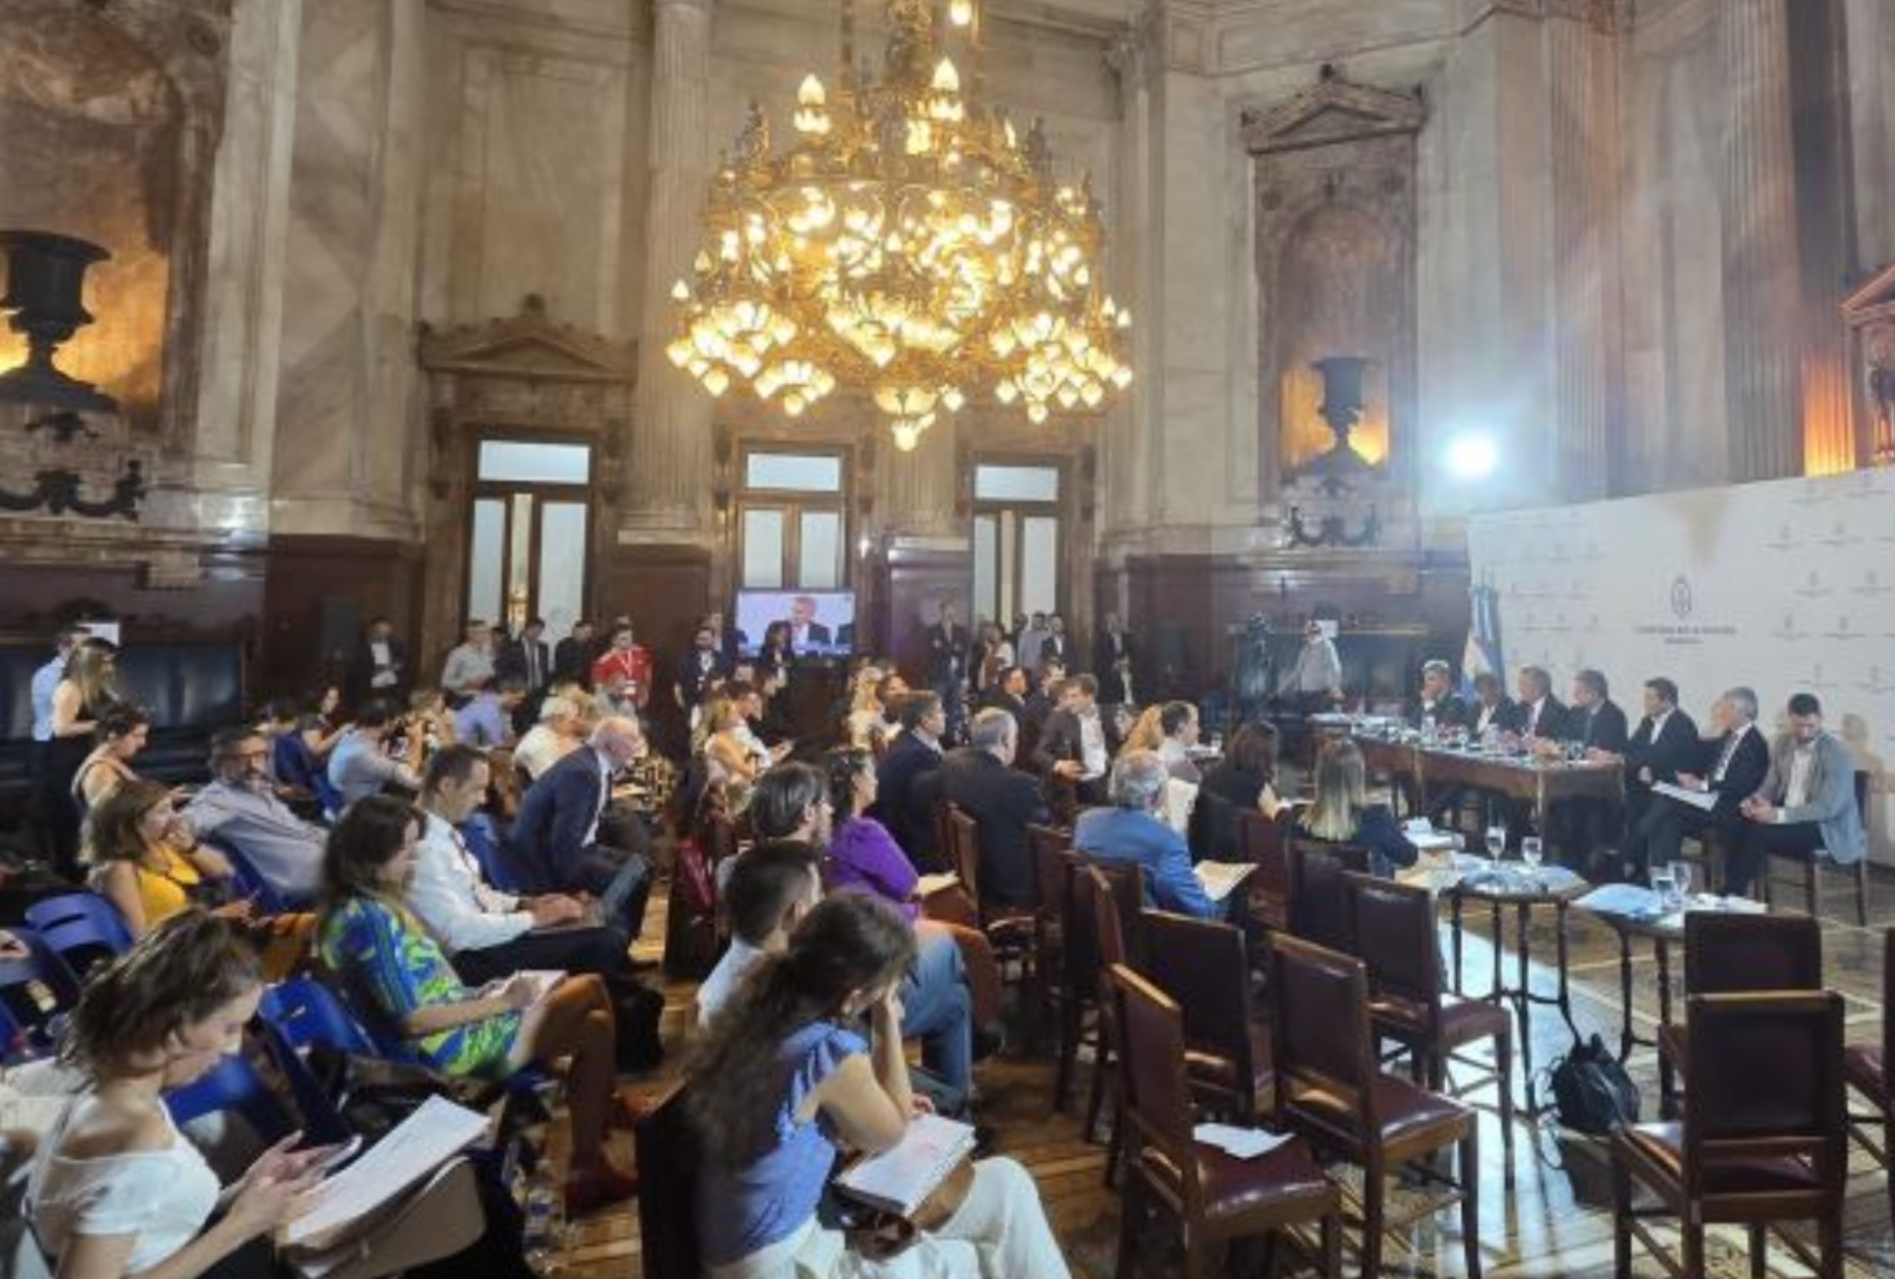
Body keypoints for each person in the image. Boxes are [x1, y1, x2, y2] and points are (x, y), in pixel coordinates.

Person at [687, 893, 1071, 1279]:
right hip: (783, 1262)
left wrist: (881, 1106)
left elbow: (803, 1121)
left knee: (1008, 1181)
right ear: (854, 998)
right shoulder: (827, 1053)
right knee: (973, 1254)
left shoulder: (761, 1018)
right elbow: (891, 1132)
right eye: (887, 989)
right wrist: (887, 1018)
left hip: (754, 1245)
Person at [316, 796, 637, 1211]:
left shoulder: (355, 908)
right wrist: (505, 1002)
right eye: (405, 851)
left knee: (594, 1027)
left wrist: (479, 994)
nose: (412, 861)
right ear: (373, 856)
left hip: (453, 1029)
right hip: (451, 1050)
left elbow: (423, 989)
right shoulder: (371, 919)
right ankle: (595, 1141)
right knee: (591, 986)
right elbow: (413, 1019)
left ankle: (590, 1161)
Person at [25, 911, 333, 1279]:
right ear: (177, 1025)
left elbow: (150, 1226)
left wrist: (247, 1190)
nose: (234, 1048)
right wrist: (242, 1225)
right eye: (229, 1028)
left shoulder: (112, 1095)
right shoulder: (137, 1137)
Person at [750, 765, 980, 1096]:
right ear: (807, 814)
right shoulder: (801, 875)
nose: (832, 810)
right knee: (949, 947)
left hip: (819, 1002)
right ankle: (951, 1100)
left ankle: (954, 1102)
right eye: (824, 803)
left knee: (957, 1000)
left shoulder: (758, 864)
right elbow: (820, 963)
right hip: (840, 1011)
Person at [407, 745, 633, 986]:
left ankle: (612, 996)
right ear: (447, 786)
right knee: (605, 940)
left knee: (607, 924)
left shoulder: (443, 832)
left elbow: (476, 893)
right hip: (472, 959)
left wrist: (525, 903)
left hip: (486, 939)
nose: (483, 799)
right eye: (477, 789)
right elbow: (456, 933)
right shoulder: (422, 846)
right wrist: (534, 918)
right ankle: (597, 1002)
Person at [505, 716, 654, 938]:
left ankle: (615, 934)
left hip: (579, 846)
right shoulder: (582, 772)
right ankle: (608, 938)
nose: (637, 745)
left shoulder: (596, 764)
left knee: (642, 866)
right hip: (543, 857)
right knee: (629, 878)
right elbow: (564, 838)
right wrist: (571, 887)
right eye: (632, 739)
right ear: (611, 745)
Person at [1620, 687, 1772, 883]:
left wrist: (1702, 786)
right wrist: (1688, 777)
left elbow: (1740, 786)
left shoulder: (1755, 743)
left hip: (1730, 808)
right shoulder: (1728, 735)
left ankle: (1630, 849)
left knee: (1667, 800)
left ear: (1740, 711)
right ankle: (1663, 882)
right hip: (1709, 800)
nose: (1720, 713)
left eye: (1725, 708)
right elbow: (1703, 761)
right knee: (1668, 822)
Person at [1727, 693, 1866, 897]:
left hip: (1824, 827)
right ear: (1790, 719)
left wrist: (1777, 815)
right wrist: (1754, 800)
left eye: (1810, 725)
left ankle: (1731, 895)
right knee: (1737, 820)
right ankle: (1736, 889)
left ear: (1821, 719)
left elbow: (1828, 808)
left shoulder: (1837, 754)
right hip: (1791, 816)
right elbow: (1771, 783)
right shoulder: (1783, 743)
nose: (1805, 731)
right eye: (1799, 725)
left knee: (1761, 831)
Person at [86, 781, 254, 938]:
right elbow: (141, 937)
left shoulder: (167, 843)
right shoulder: (119, 869)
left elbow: (225, 870)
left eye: (172, 808)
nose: (175, 817)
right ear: (132, 822)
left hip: (208, 937)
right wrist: (214, 917)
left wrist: (191, 847)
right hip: (182, 953)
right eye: (163, 811)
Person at [927, 709, 1050, 912]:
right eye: (1015, 737)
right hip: (1011, 886)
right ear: (1004, 740)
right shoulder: (1018, 784)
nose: (1016, 743)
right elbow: (1045, 831)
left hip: (971, 874)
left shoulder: (950, 761)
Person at [185, 729, 326, 905]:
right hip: (309, 885)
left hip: (326, 863)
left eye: (259, 756)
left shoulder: (258, 786)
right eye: (242, 758)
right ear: (220, 763)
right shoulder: (215, 799)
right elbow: (180, 826)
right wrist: (188, 844)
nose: (254, 765)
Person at [1073, 751, 1217, 918]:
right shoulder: (1168, 842)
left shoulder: (1085, 822)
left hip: (1089, 924)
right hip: (1146, 931)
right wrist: (1202, 893)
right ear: (1157, 794)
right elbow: (1196, 911)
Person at [695, 841, 824, 1025]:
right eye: (818, 896)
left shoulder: (717, 989)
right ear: (795, 914)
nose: (823, 903)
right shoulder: (788, 1000)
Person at [44, 639, 123, 875]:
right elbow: (61, 728)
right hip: (70, 759)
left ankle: (97, 866)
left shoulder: (99, 687)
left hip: (91, 753)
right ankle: (72, 873)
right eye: (105, 663)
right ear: (90, 664)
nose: (110, 667)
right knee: (73, 818)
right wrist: (102, 723)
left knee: (97, 815)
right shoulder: (69, 688)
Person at [1298, 738, 1419, 876]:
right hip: (1372, 890)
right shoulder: (1376, 816)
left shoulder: (1302, 819)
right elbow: (1409, 857)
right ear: (1358, 776)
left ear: (1320, 776)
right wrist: (1393, 830)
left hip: (1319, 890)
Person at [1192, 721, 1286, 862]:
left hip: (1204, 854)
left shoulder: (1212, 773)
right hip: (1240, 857)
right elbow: (1279, 822)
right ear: (1267, 754)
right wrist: (1273, 786)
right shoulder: (1258, 785)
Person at [873, 692, 948, 868]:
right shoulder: (921, 757)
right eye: (940, 711)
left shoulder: (904, 740)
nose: (945, 715)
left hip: (895, 834)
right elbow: (932, 811)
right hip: (912, 849)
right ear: (925, 720)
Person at [326, 698, 423, 808]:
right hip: (362, 808)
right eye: (397, 722)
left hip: (350, 792)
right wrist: (417, 738)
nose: (399, 725)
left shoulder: (353, 735)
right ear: (386, 723)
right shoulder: (365, 757)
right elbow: (414, 781)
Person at [1033, 674, 1112, 806]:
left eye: (1075, 696)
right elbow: (1038, 753)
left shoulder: (1108, 715)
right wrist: (1059, 765)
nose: (1069, 702)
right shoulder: (1058, 718)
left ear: (1090, 697)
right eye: (1067, 697)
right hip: (1074, 788)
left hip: (1105, 784)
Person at [29, 627, 84, 782]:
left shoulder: (84, 672)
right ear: (62, 647)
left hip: (75, 742)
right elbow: (68, 711)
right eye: (82, 646)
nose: (89, 651)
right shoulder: (47, 674)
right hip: (50, 744)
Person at [73, 705, 151, 812]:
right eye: (137, 736)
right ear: (113, 737)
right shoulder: (101, 772)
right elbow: (112, 819)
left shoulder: (109, 761)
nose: (143, 743)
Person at [513, 695, 585, 782]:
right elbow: (553, 781)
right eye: (572, 722)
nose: (577, 725)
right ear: (557, 720)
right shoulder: (541, 744)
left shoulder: (549, 733)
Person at [925, 601, 970, 733]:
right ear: (941, 611)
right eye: (947, 610)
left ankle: (950, 736)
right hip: (938, 676)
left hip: (956, 675)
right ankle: (936, 734)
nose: (949, 613)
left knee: (954, 708)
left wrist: (942, 648)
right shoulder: (932, 630)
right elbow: (930, 652)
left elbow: (964, 651)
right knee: (936, 707)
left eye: (952, 610)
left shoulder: (961, 631)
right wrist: (953, 649)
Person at [1277, 619, 1342, 713]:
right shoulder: (1305, 649)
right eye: (1307, 634)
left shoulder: (1327, 646)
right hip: (1302, 695)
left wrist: (1334, 689)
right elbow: (1296, 671)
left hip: (1318, 695)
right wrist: (1281, 689)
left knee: (1316, 720)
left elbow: (1334, 668)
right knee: (1304, 720)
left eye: (1312, 632)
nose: (1309, 636)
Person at [675, 622, 731, 721]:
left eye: (706, 639)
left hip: (716, 705)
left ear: (713, 640)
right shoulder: (686, 659)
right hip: (692, 705)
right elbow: (678, 685)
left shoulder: (723, 659)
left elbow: (729, 680)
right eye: (700, 639)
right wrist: (682, 705)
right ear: (696, 640)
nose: (703, 642)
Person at [589, 622, 652, 710]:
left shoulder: (640, 653)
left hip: (638, 703)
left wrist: (645, 692)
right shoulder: (603, 662)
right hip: (616, 706)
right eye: (624, 639)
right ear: (614, 641)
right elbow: (599, 690)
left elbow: (647, 673)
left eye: (630, 637)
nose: (629, 641)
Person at [346, 616, 408, 705]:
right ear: (371, 630)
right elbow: (355, 672)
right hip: (367, 695)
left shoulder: (396, 645)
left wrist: (396, 666)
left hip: (391, 694)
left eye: (387, 634)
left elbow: (403, 663)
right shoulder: (359, 648)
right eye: (379, 632)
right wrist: (378, 669)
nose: (383, 637)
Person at [452, 677, 526, 749]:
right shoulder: (489, 708)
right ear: (506, 693)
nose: (520, 703)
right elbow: (497, 744)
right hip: (461, 749)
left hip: (469, 747)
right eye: (518, 699)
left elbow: (508, 737)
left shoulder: (499, 707)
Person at [1502, 665, 1569, 742]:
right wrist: (1511, 735)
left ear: (1537, 689)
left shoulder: (1558, 711)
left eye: (1524, 684)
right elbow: (1513, 730)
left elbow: (1560, 742)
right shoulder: (1521, 707)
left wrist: (1534, 743)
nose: (1519, 689)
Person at [439, 619, 498, 699]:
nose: (485, 636)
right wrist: (466, 682)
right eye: (481, 632)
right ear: (470, 634)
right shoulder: (458, 654)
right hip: (464, 697)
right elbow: (445, 682)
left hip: (485, 695)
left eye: (487, 632)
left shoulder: (488, 653)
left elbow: (492, 673)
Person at [1407, 659, 1468, 732]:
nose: (1426, 684)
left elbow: (1438, 728)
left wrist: (1429, 704)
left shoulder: (1456, 702)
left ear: (1445, 680)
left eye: (1431, 679)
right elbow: (1411, 724)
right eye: (1425, 680)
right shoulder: (1430, 699)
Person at [496, 617, 551, 693]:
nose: (535, 634)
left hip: (540, 689)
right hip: (519, 688)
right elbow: (503, 670)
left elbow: (545, 670)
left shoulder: (543, 648)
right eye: (533, 629)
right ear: (525, 629)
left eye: (539, 631)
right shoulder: (511, 647)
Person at [1153, 701, 1203, 784]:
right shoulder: (1181, 765)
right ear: (1181, 726)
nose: (1199, 731)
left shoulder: (1160, 756)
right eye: (1195, 723)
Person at [1093, 612, 1137, 706]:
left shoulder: (1128, 637)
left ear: (1120, 623)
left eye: (1115, 621)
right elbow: (1098, 660)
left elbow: (1136, 654)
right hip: (1109, 679)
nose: (1113, 624)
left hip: (1128, 675)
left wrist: (1128, 661)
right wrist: (1113, 665)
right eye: (1109, 622)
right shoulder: (1102, 639)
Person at [552, 618, 599, 685]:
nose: (589, 635)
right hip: (567, 683)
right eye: (586, 632)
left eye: (590, 633)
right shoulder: (564, 645)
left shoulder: (591, 645)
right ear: (576, 630)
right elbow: (562, 669)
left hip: (586, 683)